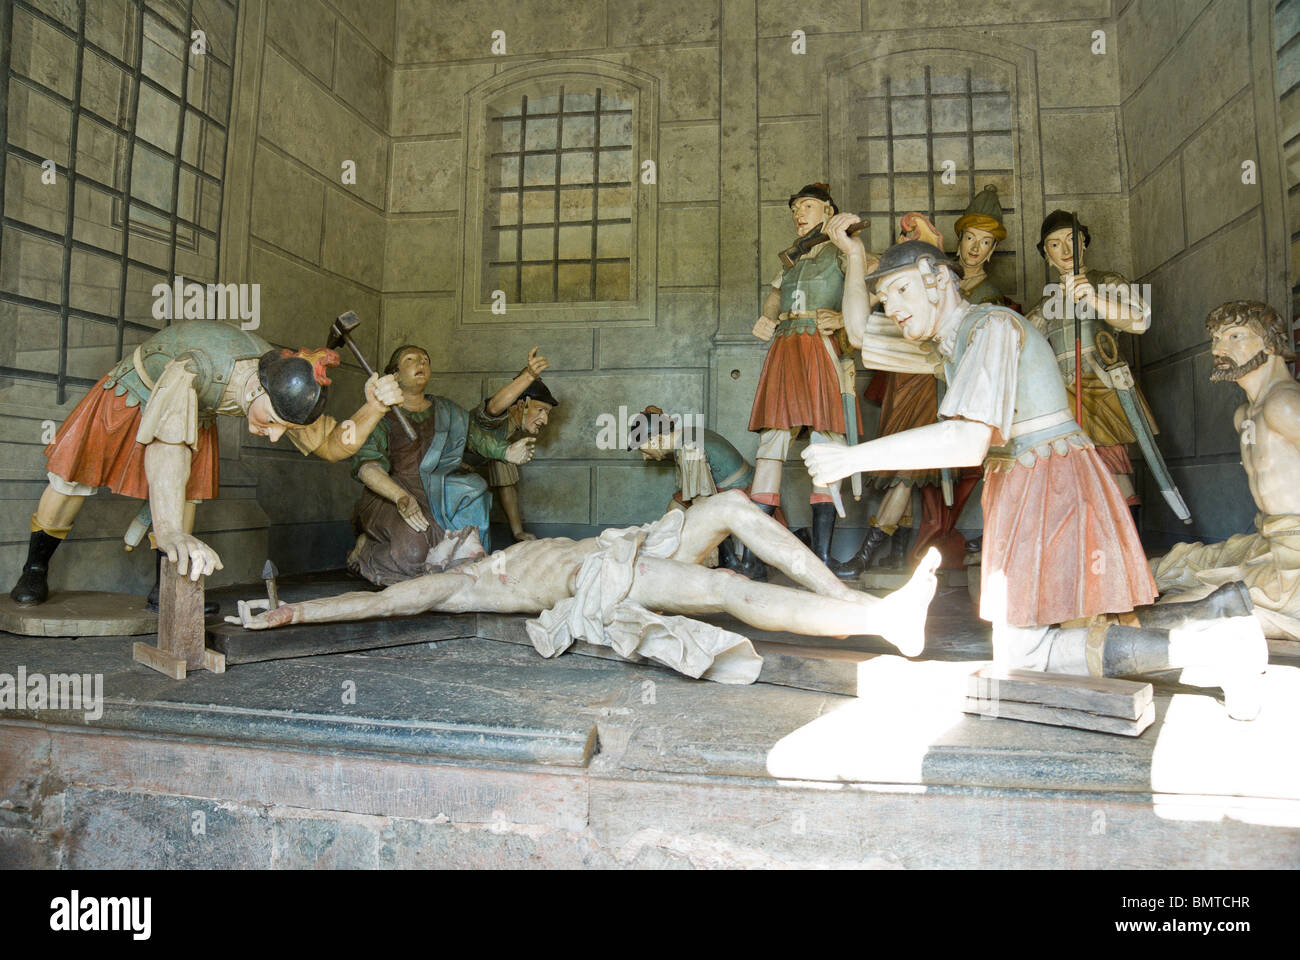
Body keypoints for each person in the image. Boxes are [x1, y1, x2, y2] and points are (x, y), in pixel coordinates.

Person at [803, 222, 1268, 719]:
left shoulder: (990, 326)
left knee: (1024, 653)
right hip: (1028, 478)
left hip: (1048, 478)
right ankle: (1216, 614)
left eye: (899, 290)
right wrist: (853, 256)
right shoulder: (952, 341)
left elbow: (967, 440)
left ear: (935, 277)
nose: (890, 307)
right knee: (1077, 618)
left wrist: (854, 457)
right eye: (883, 296)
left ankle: (1216, 650)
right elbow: (857, 333)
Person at [231, 489, 942, 684]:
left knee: (727, 506)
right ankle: (883, 622)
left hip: (621, 545)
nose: (456, 530)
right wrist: (295, 613)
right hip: (604, 579)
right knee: (724, 587)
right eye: (441, 535)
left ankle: (850, 598)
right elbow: (379, 602)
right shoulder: (453, 586)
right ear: (432, 561)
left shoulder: (505, 549)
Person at [9, 320, 403, 607]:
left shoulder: (283, 385)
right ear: (254, 390)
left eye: (283, 428)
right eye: (272, 424)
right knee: (70, 481)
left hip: (192, 415)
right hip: (131, 396)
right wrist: (167, 531)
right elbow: (168, 450)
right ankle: (35, 569)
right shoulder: (196, 369)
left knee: (187, 498)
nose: (275, 435)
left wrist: (374, 407)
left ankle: (166, 590)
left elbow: (333, 446)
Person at [1152, 301, 1300, 641]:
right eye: (1216, 338)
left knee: (1182, 609)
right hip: (1266, 542)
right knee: (1166, 569)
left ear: (1271, 344)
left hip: (1292, 561)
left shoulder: (1285, 404)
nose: (1219, 348)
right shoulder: (1245, 414)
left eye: (1235, 336)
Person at [347, 344, 536, 586]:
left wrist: (508, 451)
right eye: (411, 359)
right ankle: (366, 550)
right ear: (393, 375)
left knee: (465, 531)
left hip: (439, 491)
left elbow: (477, 438)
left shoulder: (448, 411)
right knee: (414, 557)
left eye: (426, 359)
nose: (421, 364)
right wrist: (400, 497)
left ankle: (463, 578)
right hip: (392, 493)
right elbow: (367, 467)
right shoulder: (379, 414)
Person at [748, 183, 864, 571]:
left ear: (828, 211)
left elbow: (878, 282)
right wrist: (767, 315)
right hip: (786, 347)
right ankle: (755, 556)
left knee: (826, 442)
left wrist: (847, 317)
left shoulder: (843, 249)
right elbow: (775, 296)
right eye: (796, 207)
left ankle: (823, 559)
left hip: (821, 348)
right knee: (771, 441)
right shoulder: (792, 258)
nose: (799, 213)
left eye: (808, 206)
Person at [1024, 210, 1156, 510]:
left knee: (1113, 467)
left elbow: (1140, 321)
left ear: (1084, 242)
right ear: (1047, 254)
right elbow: (1020, 340)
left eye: (1072, 240)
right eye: (1055, 244)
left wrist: (1093, 297)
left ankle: (1129, 546)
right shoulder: (1048, 302)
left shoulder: (1107, 281)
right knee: (1066, 474)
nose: (1066, 250)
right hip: (1062, 399)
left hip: (1102, 389)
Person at [632, 405, 763, 577]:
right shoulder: (684, 435)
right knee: (675, 507)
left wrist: (707, 547)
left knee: (698, 514)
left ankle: (727, 559)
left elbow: (704, 504)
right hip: (722, 486)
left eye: (643, 449)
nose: (644, 457)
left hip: (738, 488)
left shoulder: (688, 449)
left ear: (655, 440)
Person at [467, 347, 557, 543]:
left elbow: (506, 484)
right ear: (522, 404)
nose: (545, 420)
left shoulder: (508, 443)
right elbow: (493, 407)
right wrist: (529, 375)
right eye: (541, 410)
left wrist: (517, 533)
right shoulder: (497, 418)